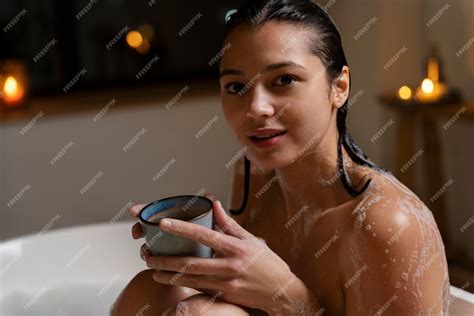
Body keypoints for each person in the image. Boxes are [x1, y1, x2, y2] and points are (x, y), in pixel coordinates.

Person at [111, 0, 450, 314]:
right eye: (236, 87)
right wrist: (205, 249)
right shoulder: (252, 175)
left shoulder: (388, 224)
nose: (255, 108)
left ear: (340, 87)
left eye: (284, 80)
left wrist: (291, 299)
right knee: (152, 289)